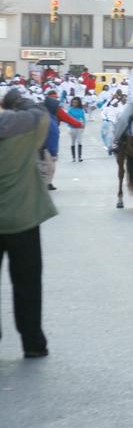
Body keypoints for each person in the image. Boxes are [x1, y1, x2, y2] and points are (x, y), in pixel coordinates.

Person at [0, 89, 57, 358]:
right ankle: (33, 342)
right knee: (28, 284)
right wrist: (14, 98)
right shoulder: (24, 130)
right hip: (23, 220)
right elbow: (41, 113)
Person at [40, 91, 82, 191]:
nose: (57, 101)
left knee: (46, 162)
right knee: (50, 161)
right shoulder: (56, 110)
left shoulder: (42, 109)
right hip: (47, 140)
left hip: (39, 140)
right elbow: (68, 119)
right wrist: (79, 124)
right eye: (55, 99)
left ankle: (47, 183)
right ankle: (46, 183)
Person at [66, 96, 86, 162]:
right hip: (72, 128)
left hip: (80, 128)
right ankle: (73, 157)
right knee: (73, 142)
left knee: (79, 141)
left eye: (76, 103)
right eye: (73, 102)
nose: (74, 104)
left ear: (78, 103)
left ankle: (80, 157)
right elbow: (68, 119)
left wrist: (84, 125)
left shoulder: (81, 110)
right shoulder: (70, 110)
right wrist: (69, 125)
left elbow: (84, 118)